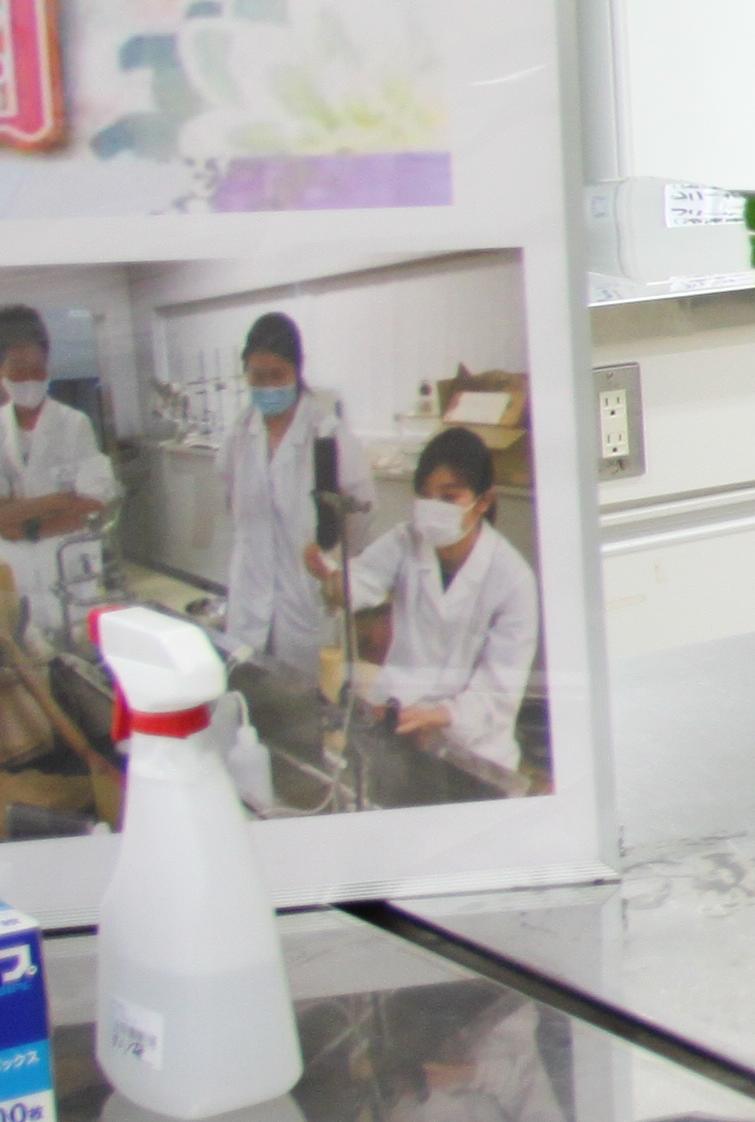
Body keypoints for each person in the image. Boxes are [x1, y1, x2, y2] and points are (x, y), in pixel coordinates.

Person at [348, 427, 539, 798]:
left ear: (483, 501)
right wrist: (331, 578)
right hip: (400, 727)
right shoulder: (406, 540)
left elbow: (498, 695)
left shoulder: (513, 580)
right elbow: (359, 582)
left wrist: (439, 715)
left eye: (449, 497)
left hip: (473, 752)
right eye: (425, 495)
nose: (433, 507)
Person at [216, 313, 340, 688]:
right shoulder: (240, 431)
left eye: (277, 375)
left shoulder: (325, 431)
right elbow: (232, 499)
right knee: (247, 694)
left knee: (304, 701)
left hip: (303, 599)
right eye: (257, 376)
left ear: (297, 370)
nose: (267, 386)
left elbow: (356, 516)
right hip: (250, 593)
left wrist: (329, 562)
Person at [0, 304, 113, 640]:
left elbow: (93, 501)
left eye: (37, 368)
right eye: (18, 368)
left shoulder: (74, 424)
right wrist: (55, 502)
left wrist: (20, 520)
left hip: (68, 563)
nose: (29, 378)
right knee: (22, 642)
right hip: (15, 568)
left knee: (79, 643)